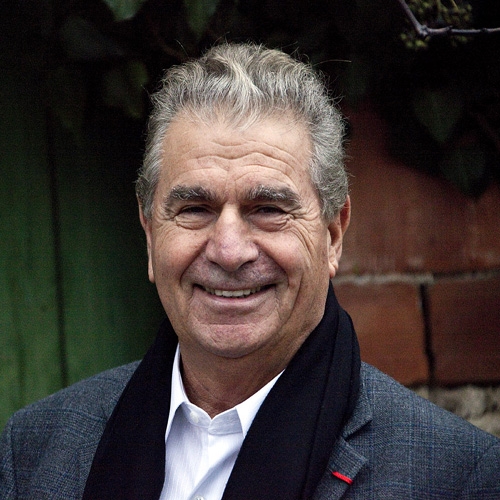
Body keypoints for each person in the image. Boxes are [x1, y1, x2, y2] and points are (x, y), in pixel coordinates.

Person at [1, 43, 499, 500]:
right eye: (195, 208)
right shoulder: (35, 449)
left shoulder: (457, 477)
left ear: (333, 233)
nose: (229, 251)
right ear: (150, 233)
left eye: (268, 209)